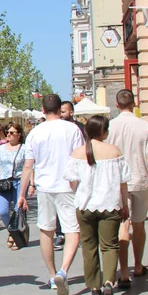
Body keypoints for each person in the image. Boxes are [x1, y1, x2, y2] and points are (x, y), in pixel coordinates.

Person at [17, 94, 85, 295]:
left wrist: (22, 194)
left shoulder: (35, 133)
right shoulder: (72, 129)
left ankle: (52, 274)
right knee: (73, 229)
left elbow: (28, 166)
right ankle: (64, 270)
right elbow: (80, 157)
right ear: (60, 108)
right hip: (68, 185)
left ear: (43, 110)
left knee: (47, 230)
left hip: (45, 186)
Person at [63, 115, 130, 295]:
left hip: (85, 206)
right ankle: (109, 281)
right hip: (110, 204)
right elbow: (123, 182)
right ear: (104, 131)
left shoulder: (77, 152)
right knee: (110, 246)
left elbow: (71, 179)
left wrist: (80, 193)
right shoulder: (114, 151)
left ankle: (94, 285)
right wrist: (125, 204)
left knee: (89, 246)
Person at [106, 89, 148, 286]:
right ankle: (138, 264)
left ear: (117, 105)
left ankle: (123, 271)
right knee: (139, 224)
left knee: (123, 224)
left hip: (117, 182)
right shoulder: (145, 127)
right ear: (134, 103)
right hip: (140, 180)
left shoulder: (110, 127)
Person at [0, 123, 29, 250]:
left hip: (19, 182)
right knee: (2, 211)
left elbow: (29, 168)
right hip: (4, 183)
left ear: (19, 135)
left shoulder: (24, 148)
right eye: (8, 132)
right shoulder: (1, 148)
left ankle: (17, 238)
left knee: (18, 212)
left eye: (12, 132)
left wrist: (32, 184)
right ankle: (12, 231)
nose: (8, 134)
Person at [57, 101, 86, 249]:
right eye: (60, 111)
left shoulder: (80, 128)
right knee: (59, 204)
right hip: (59, 173)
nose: (61, 114)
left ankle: (78, 232)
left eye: (64, 111)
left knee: (77, 203)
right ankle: (60, 234)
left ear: (71, 112)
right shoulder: (55, 128)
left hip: (77, 172)